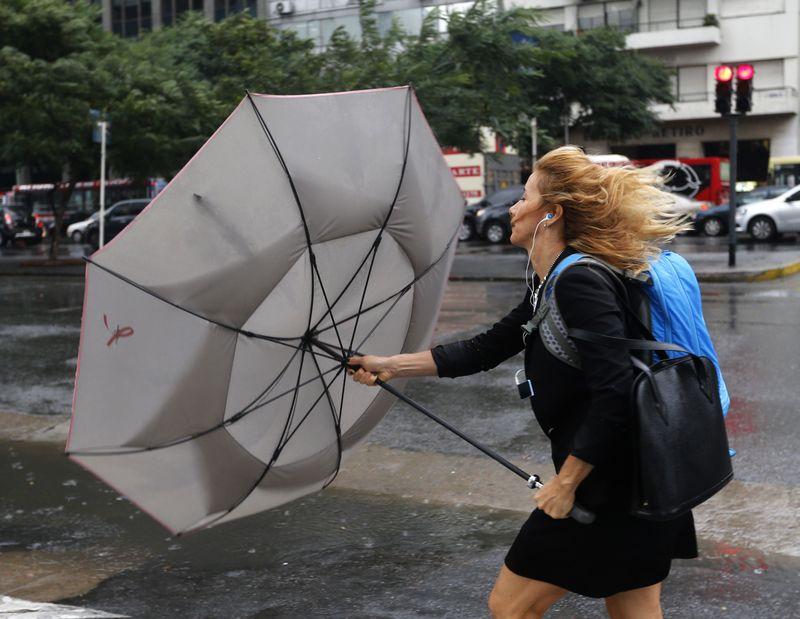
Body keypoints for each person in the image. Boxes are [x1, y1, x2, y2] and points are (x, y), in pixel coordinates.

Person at [346, 146, 698, 619]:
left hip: (611, 486)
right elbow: (485, 348)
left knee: (510, 607)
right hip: (642, 477)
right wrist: (391, 364)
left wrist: (567, 483)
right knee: (634, 608)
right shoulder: (554, 281)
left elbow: (615, 392)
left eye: (524, 196)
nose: (511, 206)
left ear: (550, 214)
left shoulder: (579, 282)